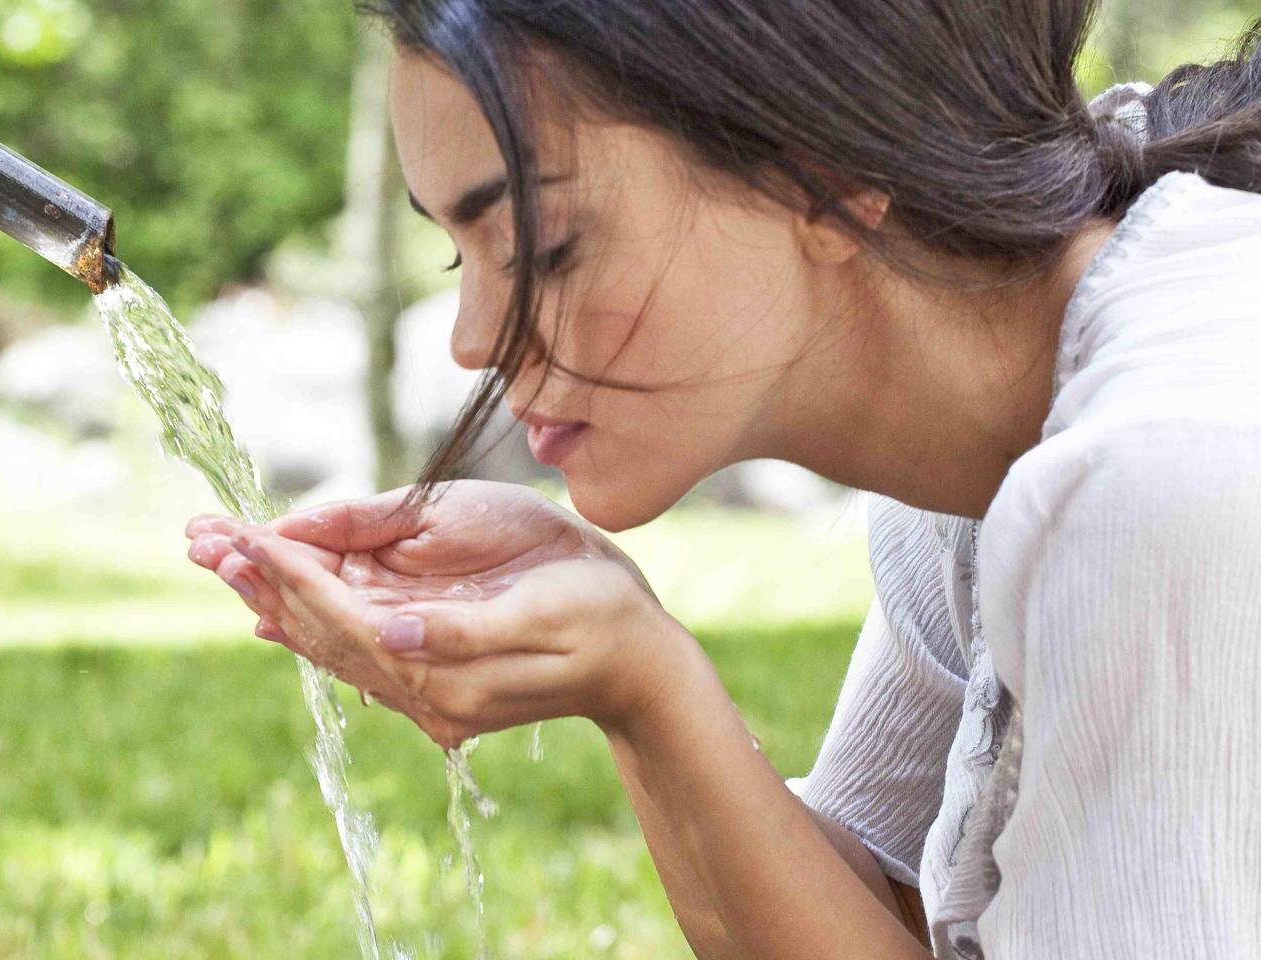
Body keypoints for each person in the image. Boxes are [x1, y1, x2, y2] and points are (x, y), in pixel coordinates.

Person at [185, 1, 1261, 956]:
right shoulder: (973, 441)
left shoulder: (1160, 471)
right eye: (455, 256)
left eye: (541, 246)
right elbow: (882, 920)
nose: (474, 338)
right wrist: (636, 681)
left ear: (828, 172)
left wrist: (643, 677)